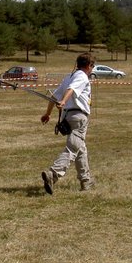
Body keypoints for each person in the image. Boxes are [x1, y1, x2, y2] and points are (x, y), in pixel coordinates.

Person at [40, 52, 95, 195]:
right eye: (92, 67)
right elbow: (72, 90)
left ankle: (86, 181)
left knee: (80, 148)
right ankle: (53, 174)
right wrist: (64, 101)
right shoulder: (82, 76)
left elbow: (53, 97)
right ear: (89, 66)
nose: (92, 70)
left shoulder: (68, 77)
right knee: (72, 148)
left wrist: (48, 114)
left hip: (68, 117)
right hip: (78, 117)